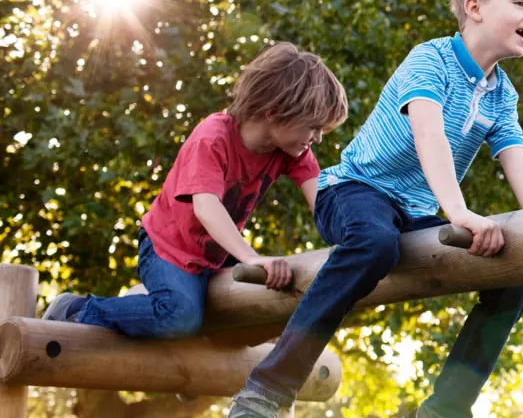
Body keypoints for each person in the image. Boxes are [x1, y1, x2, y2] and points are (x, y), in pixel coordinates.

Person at [223, 0, 523, 418]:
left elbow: (519, 162)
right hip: (355, 191)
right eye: (520, 2)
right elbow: (429, 136)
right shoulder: (431, 59)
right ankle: (266, 389)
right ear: (474, 7)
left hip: (418, 211)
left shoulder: (501, 94)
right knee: (375, 244)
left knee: (515, 278)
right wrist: (460, 212)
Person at [43, 42, 347, 340]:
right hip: (169, 249)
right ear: (275, 112)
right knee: (179, 316)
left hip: (216, 254)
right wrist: (252, 258)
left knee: (264, 310)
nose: (318, 138)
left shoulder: (291, 151)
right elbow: (206, 207)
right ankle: (77, 308)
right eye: (313, 127)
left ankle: (194, 360)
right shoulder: (213, 137)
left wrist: (354, 235)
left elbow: (323, 201)